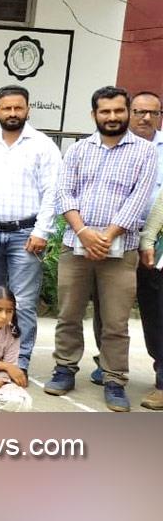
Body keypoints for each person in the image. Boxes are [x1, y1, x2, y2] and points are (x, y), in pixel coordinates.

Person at [47, 86, 157, 411]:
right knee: (68, 314)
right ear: (94, 114)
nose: (112, 117)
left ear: (127, 112)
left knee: (115, 322)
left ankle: (114, 380)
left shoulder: (145, 151)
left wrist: (106, 236)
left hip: (121, 250)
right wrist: (83, 232)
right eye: (105, 111)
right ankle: (64, 368)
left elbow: (138, 200)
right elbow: (64, 194)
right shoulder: (79, 150)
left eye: (118, 111)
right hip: (75, 247)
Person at [0, 85, 61, 371]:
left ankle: (20, 362)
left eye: (18, 108)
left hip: (26, 235)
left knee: (24, 303)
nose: (13, 113)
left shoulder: (43, 145)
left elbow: (52, 192)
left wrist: (42, 231)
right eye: (7, 108)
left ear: (28, 109)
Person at [133, 91, 163, 410]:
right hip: (127, 240)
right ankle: (109, 365)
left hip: (156, 247)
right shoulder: (120, 146)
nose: (145, 118)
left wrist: (151, 239)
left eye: (152, 113)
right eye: (139, 111)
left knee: (159, 311)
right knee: (115, 310)